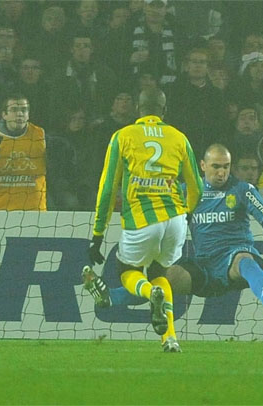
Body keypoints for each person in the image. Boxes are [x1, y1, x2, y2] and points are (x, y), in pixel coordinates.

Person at [83, 144, 263, 338]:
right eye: (216, 166)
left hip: (232, 258)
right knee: (165, 279)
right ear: (203, 166)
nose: (222, 172)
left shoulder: (243, 190)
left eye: (226, 167)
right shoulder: (187, 192)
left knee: (245, 260)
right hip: (203, 266)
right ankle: (110, 297)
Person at [85, 88, 203, 352]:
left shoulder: (123, 136)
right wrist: (186, 212)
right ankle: (170, 338)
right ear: (164, 110)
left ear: (138, 109)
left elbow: (108, 188)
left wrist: (98, 234)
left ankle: (150, 293)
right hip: (175, 219)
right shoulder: (179, 137)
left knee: (127, 270)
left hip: (141, 219)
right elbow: (197, 187)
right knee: (160, 273)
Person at [0, 94, 48, 211]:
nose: (19, 114)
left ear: (28, 114)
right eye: (14, 110)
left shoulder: (41, 136)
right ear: (4, 115)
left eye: (24, 110)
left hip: (35, 212)